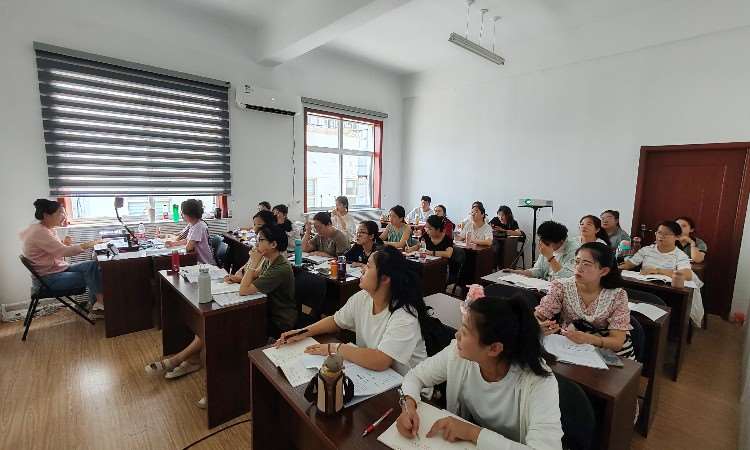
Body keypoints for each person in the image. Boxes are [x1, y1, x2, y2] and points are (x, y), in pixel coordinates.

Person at [146, 224, 295, 408]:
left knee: (221, 330)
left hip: (277, 318)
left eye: (261, 240)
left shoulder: (281, 267)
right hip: (261, 307)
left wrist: (252, 262)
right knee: (212, 324)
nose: (257, 243)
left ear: (273, 244)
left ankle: (218, 388)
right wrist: (237, 277)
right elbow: (255, 277)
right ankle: (183, 360)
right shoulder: (268, 259)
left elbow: (245, 290)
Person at [396, 295, 562, 449]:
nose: (457, 334)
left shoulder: (538, 382)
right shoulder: (458, 354)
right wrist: (408, 404)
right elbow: (416, 376)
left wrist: (472, 433)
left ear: (494, 348)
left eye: (465, 332)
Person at [276, 246, 429, 375]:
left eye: (368, 266)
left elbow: (381, 360)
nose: (362, 269)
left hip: (409, 388)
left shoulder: (404, 314)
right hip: (376, 375)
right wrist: (303, 332)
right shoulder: (363, 297)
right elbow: (336, 321)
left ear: (385, 278)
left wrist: (334, 348)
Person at [535, 242, 635, 359]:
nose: (579, 268)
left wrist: (589, 339)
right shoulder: (561, 287)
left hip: (607, 353)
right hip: (571, 347)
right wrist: (539, 325)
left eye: (586, 264)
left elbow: (617, 342)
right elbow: (539, 315)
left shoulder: (617, 295)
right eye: (577, 262)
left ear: (603, 271)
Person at [20, 199, 105, 319]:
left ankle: (97, 305)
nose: (64, 216)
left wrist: (64, 243)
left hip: (55, 270)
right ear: (46, 215)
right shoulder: (40, 232)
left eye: (64, 213)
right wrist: (91, 244)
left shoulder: (44, 228)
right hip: (48, 280)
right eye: (60, 213)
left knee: (92, 266)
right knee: (95, 274)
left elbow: (53, 250)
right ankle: (99, 307)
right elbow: (64, 252)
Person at [619, 220, 704, 324]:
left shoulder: (680, 255)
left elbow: (687, 275)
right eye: (659, 233)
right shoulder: (647, 250)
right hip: (644, 286)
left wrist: (658, 271)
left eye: (666, 234)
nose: (661, 236)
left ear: (677, 237)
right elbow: (629, 264)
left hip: (668, 292)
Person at [507, 221, 577, 281]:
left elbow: (567, 277)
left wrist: (550, 257)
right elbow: (538, 270)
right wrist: (517, 272)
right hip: (545, 285)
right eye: (541, 241)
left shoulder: (575, 250)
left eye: (547, 244)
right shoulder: (546, 243)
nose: (544, 245)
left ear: (561, 242)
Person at [225, 209, 277, 282]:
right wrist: (237, 274)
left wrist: (240, 279)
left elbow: (257, 276)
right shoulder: (258, 245)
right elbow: (247, 265)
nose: (255, 228)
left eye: (259, 225)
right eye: (254, 224)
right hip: (245, 279)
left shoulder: (269, 250)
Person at [165, 199, 215, 265]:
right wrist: (173, 244)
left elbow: (189, 247)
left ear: (190, 214)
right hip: (197, 259)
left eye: (183, 213)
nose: (182, 215)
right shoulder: (193, 224)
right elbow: (188, 240)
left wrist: (178, 249)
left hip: (204, 263)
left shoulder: (199, 226)